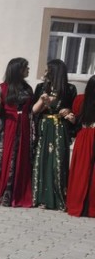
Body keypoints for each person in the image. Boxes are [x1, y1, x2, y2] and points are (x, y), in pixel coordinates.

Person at [31, 59, 77, 210]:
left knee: (58, 162)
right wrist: (43, 102)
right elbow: (33, 111)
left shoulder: (69, 89)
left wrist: (68, 112)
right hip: (44, 127)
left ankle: (57, 199)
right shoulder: (41, 88)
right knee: (42, 160)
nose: (45, 72)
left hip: (60, 128)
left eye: (48, 70)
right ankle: (41, 198)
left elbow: (73, 110)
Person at [0, 57, 35, 207]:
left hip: (24, 125)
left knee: (21, 158)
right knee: (7, 157)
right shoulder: (2, 88)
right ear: (18, 70)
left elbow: (31, 109)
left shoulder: (28, 89)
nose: (28, 70)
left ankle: (18, 194)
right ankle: (5, 194)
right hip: (8, 125)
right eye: (25, 67)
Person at [66, 75, 95, 217]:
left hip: (83, 137)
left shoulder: (80, 100)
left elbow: (77, 119)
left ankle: (79, 203)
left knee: (81, 170)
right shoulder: (80, 100)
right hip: (87, 135)